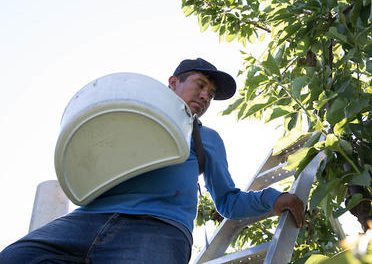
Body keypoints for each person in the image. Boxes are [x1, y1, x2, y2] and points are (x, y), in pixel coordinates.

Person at [0, 58, 305, 264]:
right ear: (173, 82)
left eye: (211, 94)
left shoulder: (207, 139)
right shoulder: (134, 111)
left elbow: (227, 200)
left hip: (158, 230)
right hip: (87, 218)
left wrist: (273, 198)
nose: (205, 97)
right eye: (200, 85)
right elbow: (89, 150)